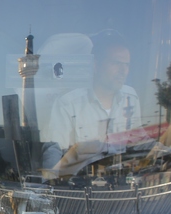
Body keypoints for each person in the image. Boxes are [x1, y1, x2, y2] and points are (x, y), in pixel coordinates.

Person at [42, 31, 146, 178]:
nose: (123, 71)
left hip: (124, 190)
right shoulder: (68, 104)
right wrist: (50, 185)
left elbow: (140, 140)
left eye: (126, 65)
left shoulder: (131, 98)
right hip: (83, 190)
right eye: (116, 63)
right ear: (96, 66)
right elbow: (54, 150)